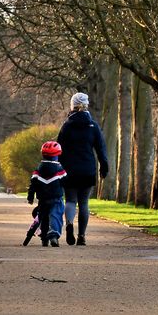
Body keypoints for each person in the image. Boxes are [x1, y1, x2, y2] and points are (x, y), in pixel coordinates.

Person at [57, 91, 109, 247]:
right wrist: (104, 165)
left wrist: (57, 168)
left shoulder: (67, 126)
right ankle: (81, 236)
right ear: (86, 105)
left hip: (69, 169)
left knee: (70, 200)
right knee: (84, 202)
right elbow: (101, 148)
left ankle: (69, 224)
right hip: (87, 169)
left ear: (72, 106)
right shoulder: (93, 126)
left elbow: (59, 149)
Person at [27, 141, 66, 247]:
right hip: (56, 198)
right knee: (55, 215)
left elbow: (33, 184)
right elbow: (66, 182)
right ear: (57, 154)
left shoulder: (38, 169)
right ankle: (53, 235)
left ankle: (44, 237)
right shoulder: (59, 169)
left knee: (43, 217)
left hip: (42, 199)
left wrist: (30, 196)